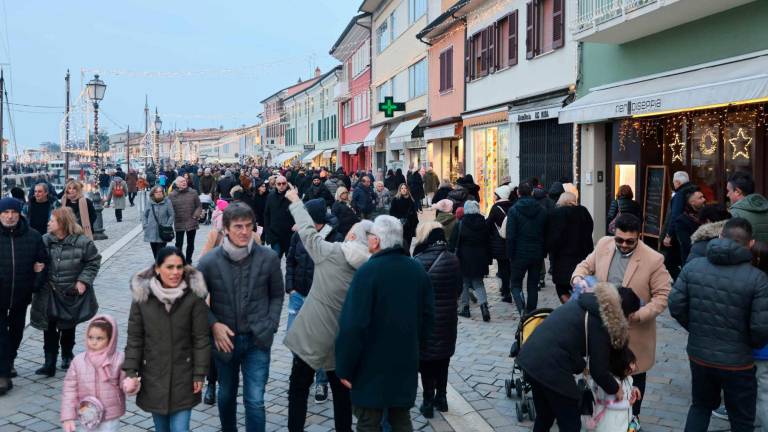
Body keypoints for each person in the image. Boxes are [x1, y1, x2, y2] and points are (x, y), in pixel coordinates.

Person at [335, 215, 434, 432]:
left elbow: (353, 325)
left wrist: (344, 367)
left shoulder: (367, 273)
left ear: (376, 241)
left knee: (369, 421)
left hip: (370, 367)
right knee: (401, 418)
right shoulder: (417, 270)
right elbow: (428, 320)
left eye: (370, 236)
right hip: (405, 361)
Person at [284, 190, 371, 432]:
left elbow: (308, 234)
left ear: (352, 236)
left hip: (312, 334)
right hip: (342, 343)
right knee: (342, 395)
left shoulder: (333, 253)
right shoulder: (369, 270)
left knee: (298, 389)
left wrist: (296, 202)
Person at [572, 213, 671, 427]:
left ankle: (632, 418)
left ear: (639, 236)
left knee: (633, 373)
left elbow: (662, 297)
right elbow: (584, 265)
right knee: (602, 371)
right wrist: (578, 277)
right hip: (603, 327)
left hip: (634, 331)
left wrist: (636, 316)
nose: (624, 245)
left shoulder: (653, 259)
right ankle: (603, 415)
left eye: (630, 241)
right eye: (619, 240)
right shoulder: (604, 244)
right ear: (613, 234)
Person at [670, 217, 768, 431]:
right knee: (742, 419)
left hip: (700, 355)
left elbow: (676, 305)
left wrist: (696, 328)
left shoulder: (693, 267)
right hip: (738, 361)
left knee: (700, 407)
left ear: (721, 236)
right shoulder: (757, 278)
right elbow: (760, 328)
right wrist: (746, 344)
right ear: (750, 244)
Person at [197, 203, 284, 432]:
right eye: (238, 226)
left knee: (255, 400)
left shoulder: (268, 258)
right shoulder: (209, 262)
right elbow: (195, 301)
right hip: (224, 341)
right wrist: (213, 324)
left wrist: (270, 325)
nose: (245, 231)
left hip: (257, 339)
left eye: (249, 226)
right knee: (226, 395)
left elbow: (276, 295)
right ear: (225, 228)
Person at [518, 281, 642, 431]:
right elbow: (599, 371)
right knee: (570, 422)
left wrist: (582, 367)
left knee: (545, 415)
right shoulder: (602, 322)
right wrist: (616, 388)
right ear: (623, 312)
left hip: (530, 357)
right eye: (629, 315)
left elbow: (568, 341)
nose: (629, 320)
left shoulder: (589, 304)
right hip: (550, 365)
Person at [123, 246, 210, 432]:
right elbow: (135, 338)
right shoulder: (142, 297)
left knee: (180, 429)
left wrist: (199, 373)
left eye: (179, 267)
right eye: (169, 267)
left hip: (184, 376)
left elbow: (201, 339)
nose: (175, 272)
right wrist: (131, 371)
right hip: (154, 375)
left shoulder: (194, 296)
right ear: (157, 268)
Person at [284, 199, 344, 408]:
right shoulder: (298, 234)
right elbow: (290, 260)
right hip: (298, 294)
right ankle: (300, 375)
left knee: (320, 342)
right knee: (293, 338)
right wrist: (290, 286)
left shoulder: (335, 238)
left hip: (320, 298)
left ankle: (321, 382)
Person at [31, 207, 101, 376]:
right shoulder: (44, 240)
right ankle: (49, 361)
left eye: (52, 220)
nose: (48, 223)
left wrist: (83, 281)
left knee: (68, 325)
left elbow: (93, 261)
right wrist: (36, 267)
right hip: (48, 292)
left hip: (70, 292)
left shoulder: (82, 242)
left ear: (62, 223)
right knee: (49, 327)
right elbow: (35, 259)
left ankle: (67, 355)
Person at [412, 221, 460, 418]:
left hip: (426, 320)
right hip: (448, 318)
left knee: (426, 361)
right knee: (443, 359)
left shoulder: (418, 260)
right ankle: (443, 398)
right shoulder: (453, 259)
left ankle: (428, 401)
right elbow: (459, 289)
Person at [0, 197, 47, 394]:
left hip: (21, 293)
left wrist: (34, 284)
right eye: (5, 213)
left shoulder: (33, 236)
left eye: (14, 213)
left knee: (16, 331)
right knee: (1, 334)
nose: (10, 217)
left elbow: (43, 263)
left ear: (20, 214)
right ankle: (2, 374)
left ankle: (9, 360)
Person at [61, 315, 127, 432]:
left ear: (110, 339)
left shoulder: (118, 359)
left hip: (110, 414)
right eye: (90, 337)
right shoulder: (79, 361)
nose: (94, 342)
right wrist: (68, 417)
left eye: (99, 338)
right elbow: (69, 390)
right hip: (87, 413)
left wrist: (131, 384)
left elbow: (125, 384)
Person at [506, 182, 548, 314]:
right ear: (532, 193)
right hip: (536, 252)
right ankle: (531, 312)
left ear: (518, 193)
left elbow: (510, 235)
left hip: (519, 253)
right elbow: (546, 232)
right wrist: (543, 251)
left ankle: (522, 310)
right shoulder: (541, 210)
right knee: (532, 284)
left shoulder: (514, 210)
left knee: (515, 284)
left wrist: (510, 253)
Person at [547, 192, 594, 303]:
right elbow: (589, 231)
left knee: (561, 288)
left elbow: (554, 238)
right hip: (582, 257)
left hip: (563, 259)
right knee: (580, 286)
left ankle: (569, 308)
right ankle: (575, 308)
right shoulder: (584, 212)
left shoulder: (557, 214)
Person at [450, 200, 491, 321]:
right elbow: (488, 242)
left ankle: (465, 308)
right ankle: (484, 307)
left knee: (464, 283)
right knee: (479, 283)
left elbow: (453, 243)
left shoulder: (461, 224)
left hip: (464, 257)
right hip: (480, 257)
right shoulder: (483, 223)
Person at [586, 346, 640, 432]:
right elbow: (609, 403)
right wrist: (628, 403)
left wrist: (633, 389)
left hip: (621, 420)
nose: (633, 367)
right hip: (609, 422)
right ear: (620, 366)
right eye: (631, 364)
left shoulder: (627, 378)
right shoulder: (610, 383)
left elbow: (627, 388)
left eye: (633, 362)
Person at [662, 171, 698, 279]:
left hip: (680, 232)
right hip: (694, 231)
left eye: (674, 183)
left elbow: (675, 216)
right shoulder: (695, 191)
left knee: (670, 263)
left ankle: (681, 283)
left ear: (677, 182)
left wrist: (668, 235)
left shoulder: (680, 194)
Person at [487, 185, 514, 303]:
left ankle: (506, 291)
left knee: (503, 267)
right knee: (509, 266)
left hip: (499, 243)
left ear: (499, 195)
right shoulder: (513, 206)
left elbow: (488, 224)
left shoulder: (496, 208)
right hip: (512, 241)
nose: (494, 196)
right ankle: (508, 288)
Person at [168, 177, 202, 264]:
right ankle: (179, 261)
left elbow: (198, 205)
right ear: (177, 184)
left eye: (184, 181)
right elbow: (168, 209)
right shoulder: (171, 195)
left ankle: (188, 260)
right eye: (181, 181)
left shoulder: (193, 192)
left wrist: (196, 215)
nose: (184, 182)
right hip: (179, 221)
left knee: (191, 243)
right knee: (178, 244)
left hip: (191, 221)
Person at [728, 171, 768, 242]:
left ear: (737, 191)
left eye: (728, 191)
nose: (727, 195)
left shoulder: (734, 213)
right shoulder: (765, 206)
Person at [263, 175, 294, 258]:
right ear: (275, 185)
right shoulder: (271, 196)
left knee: (290, 262)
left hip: (289, 235)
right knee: (275, 262)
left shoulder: (292, 196)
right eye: (279, 184)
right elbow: (266, 215)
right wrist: (268, 233)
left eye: (283, 183)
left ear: (287, 184)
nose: (281, 186)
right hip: (275, 235)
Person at [674, 189, 706, 263]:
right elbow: (687, 244)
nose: (704, 199)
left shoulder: (707, 215)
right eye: (700, 198)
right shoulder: (682, 220)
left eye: (703, 197)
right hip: (691, 260)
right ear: (692, 202)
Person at [143, 186, 176, 258]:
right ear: (153, 193)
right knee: (155, 252)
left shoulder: (167, 202)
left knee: (160, 252)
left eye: (160, 191)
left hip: (163, 231)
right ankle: (158, 264)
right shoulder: (150, 202)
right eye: (157, 192)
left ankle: (159, 265)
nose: (159, 193)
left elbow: (171, 215)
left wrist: (167, 225)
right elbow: (145, 215)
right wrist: (145, 225)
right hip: (151, 231)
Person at [390, 183, 419, 251]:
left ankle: (407, 255)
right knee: (401, 243)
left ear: (407, 189)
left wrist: (416, 223)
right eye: (402, 188)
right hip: (401, 224)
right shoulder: (396, 199)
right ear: (399, 190)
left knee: (408, 243)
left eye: (405, 188)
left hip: (410, 225)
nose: (404, 190)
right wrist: (401, 217)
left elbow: (414, 212)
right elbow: (392, 212)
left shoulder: (411, 199)